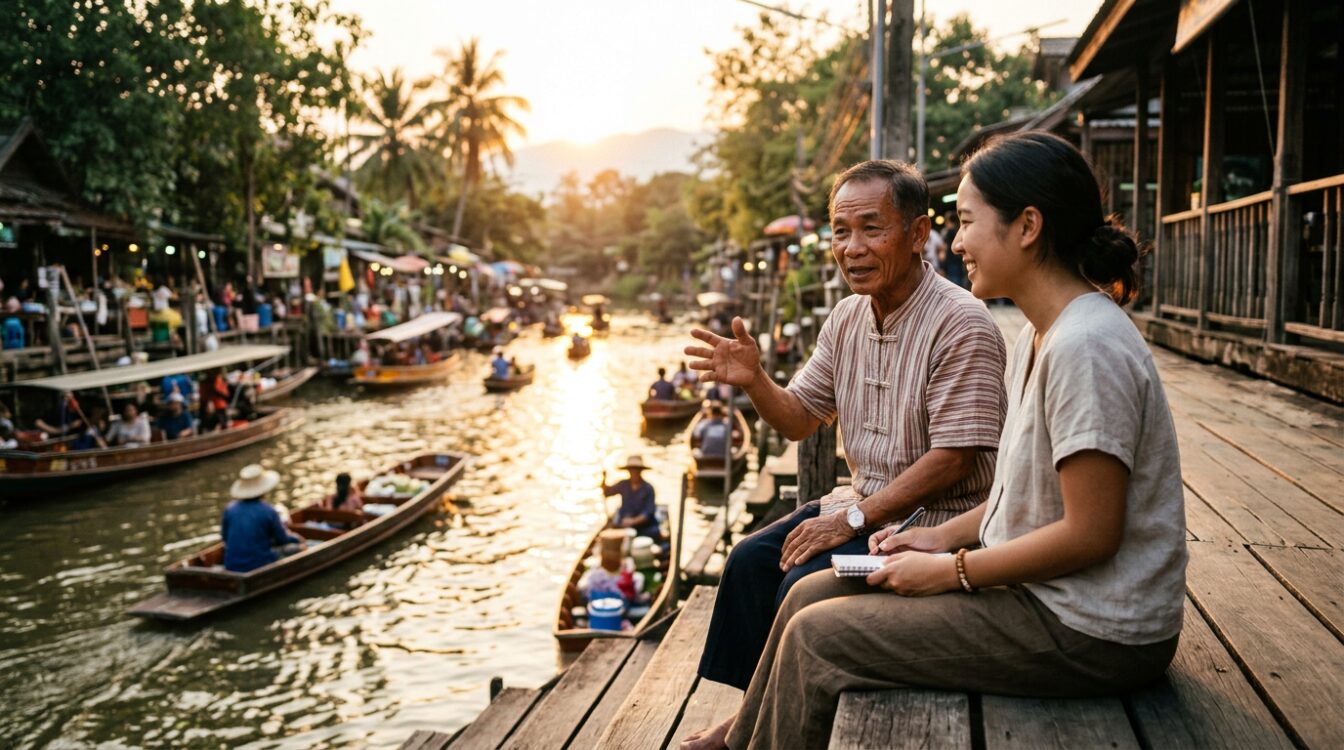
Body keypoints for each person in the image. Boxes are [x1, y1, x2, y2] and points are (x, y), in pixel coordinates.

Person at [716, 132, 1188, 749]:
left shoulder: (1086, 347)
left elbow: (1091, 534)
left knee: (816, 636)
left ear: (1027, 226)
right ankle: (738, 739)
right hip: (1039, 593)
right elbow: (1019, 492)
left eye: (965, 221)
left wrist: (951, 571)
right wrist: (935, 539)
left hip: (1094, 626)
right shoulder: (1041, 336)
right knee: (806, 590)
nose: (955, 241)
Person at [680, 159, 1007, 749]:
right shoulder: (847, 317)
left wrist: (852, 519)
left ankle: (766, 727)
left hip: (938, 524)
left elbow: (956, 458)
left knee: (801, 576)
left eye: (870, 228)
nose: (851, 248)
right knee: (750, 562)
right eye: (839, 230)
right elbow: (802, 419)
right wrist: (756, 380)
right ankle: (756, 712)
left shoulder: (962, 322)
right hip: (861, 505)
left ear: (916, 234)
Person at [221, 464, 306, 572]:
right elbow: (282, 539)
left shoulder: (230, 509)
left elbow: (225, 538)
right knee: (299, 548)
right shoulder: (268, 510)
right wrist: (297, 538)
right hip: (259, 563)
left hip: (231, 564)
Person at [601, 455, 662, 539]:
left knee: (655, 533)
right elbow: (607, 493)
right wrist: (603, 479)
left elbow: (648, 512)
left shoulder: (648, 488)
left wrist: (633, 521)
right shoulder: (623, 484)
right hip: (624, 524)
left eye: (636, 470)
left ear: (640, 471)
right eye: (631, 470)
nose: (634, 472)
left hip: (643, 526)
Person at [940, 210, 967, 289]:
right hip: (958, 259)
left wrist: (943, 265)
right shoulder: (957, 230)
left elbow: (947, 248)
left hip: (951, 260)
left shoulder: (950, 231)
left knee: (955, 282)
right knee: (959, 280)